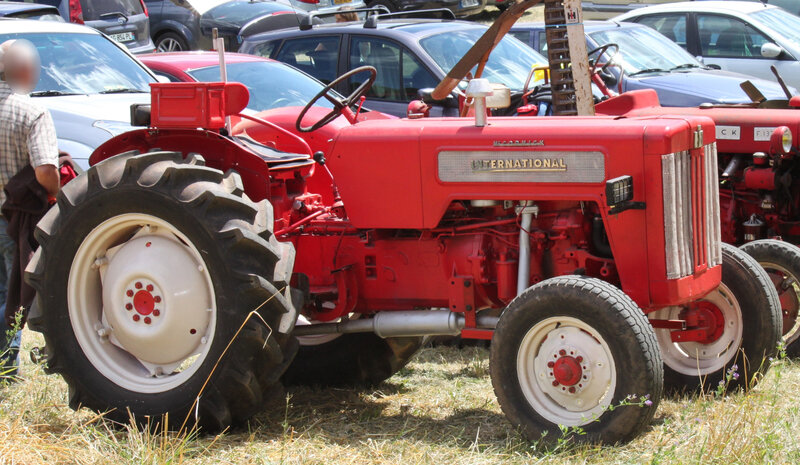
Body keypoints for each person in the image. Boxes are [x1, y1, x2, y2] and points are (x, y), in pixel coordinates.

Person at [0, 39, 59, 378]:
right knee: (14, 295)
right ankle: (6, 369)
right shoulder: (31, 111)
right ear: (24, 71)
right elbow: (45, 171)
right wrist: (56, 195)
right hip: (15, 220)